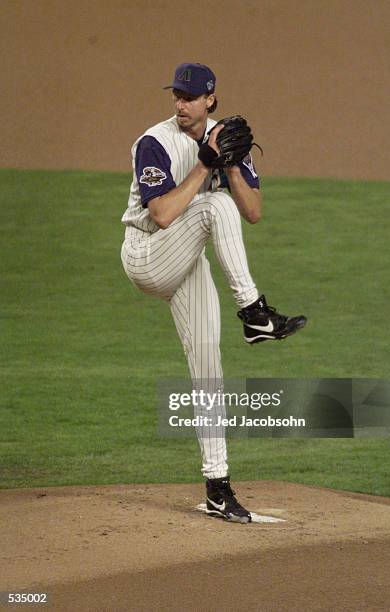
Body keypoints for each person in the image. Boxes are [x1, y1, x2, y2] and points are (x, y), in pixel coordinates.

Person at [120, 63, 306, 523]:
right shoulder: (154, 142)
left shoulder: (226, 139)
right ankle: (254, 312)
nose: (180, 104)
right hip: (147, 255)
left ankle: (218, 487)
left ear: (210, 99)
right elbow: (162, 214)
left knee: (208, 367)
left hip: (187, 259)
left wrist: (231, 165)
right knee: (213, 204)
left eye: (189, 97)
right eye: (176, 96)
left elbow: (255, 212)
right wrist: (206, 164)